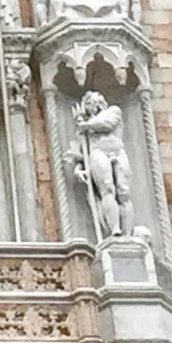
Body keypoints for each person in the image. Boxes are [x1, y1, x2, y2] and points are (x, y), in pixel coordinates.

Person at [71, 91, 133, 239]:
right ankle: (115, 230)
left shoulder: (113, 111)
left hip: (117, 152)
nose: (89, 106)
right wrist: (78, 170)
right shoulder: (85, 131)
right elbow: (81, 154)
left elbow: (107, 124)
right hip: (97, 154)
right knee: (107, 188)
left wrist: (83, 124)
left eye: (91, 102)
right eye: (87, 104)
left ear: (100, 102)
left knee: (123, 192)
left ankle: (128, 233)